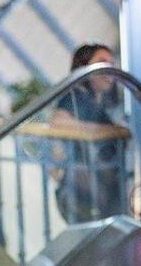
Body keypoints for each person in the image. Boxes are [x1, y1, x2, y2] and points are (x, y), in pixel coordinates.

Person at [50, 43, 126, 223]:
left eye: (111, 63)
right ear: (84, 67)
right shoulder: (77, 95)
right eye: (102, 62)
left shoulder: (102, 101)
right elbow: (58, 123)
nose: (108, 69)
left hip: (101, 191)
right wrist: (110, 131)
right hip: (82, 194)